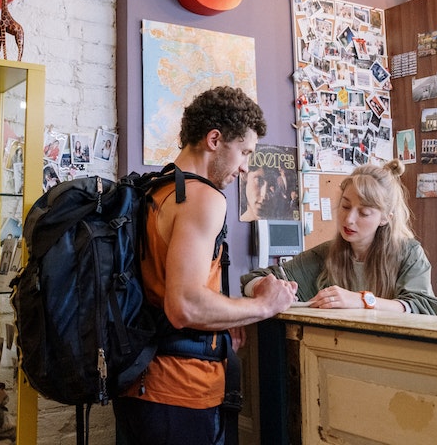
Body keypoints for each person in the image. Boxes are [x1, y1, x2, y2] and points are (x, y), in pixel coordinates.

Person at [113, 86, 298, 445]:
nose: (245, 166)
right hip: (181, 391)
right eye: (244, 151)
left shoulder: (155, 190)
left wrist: (229, 318)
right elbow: (184, 305)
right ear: (215, 139)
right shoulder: (203, 198)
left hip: (139, 385)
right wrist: (262, 306)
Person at [240, 160, 437, 315]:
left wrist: (362, 301)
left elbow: (423, 308)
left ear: (385, 218)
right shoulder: (323, 255)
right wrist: (265, 288)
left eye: (363, 213)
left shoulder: (409, 254)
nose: (349, 219)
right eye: (345, 206)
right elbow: (251, 279)